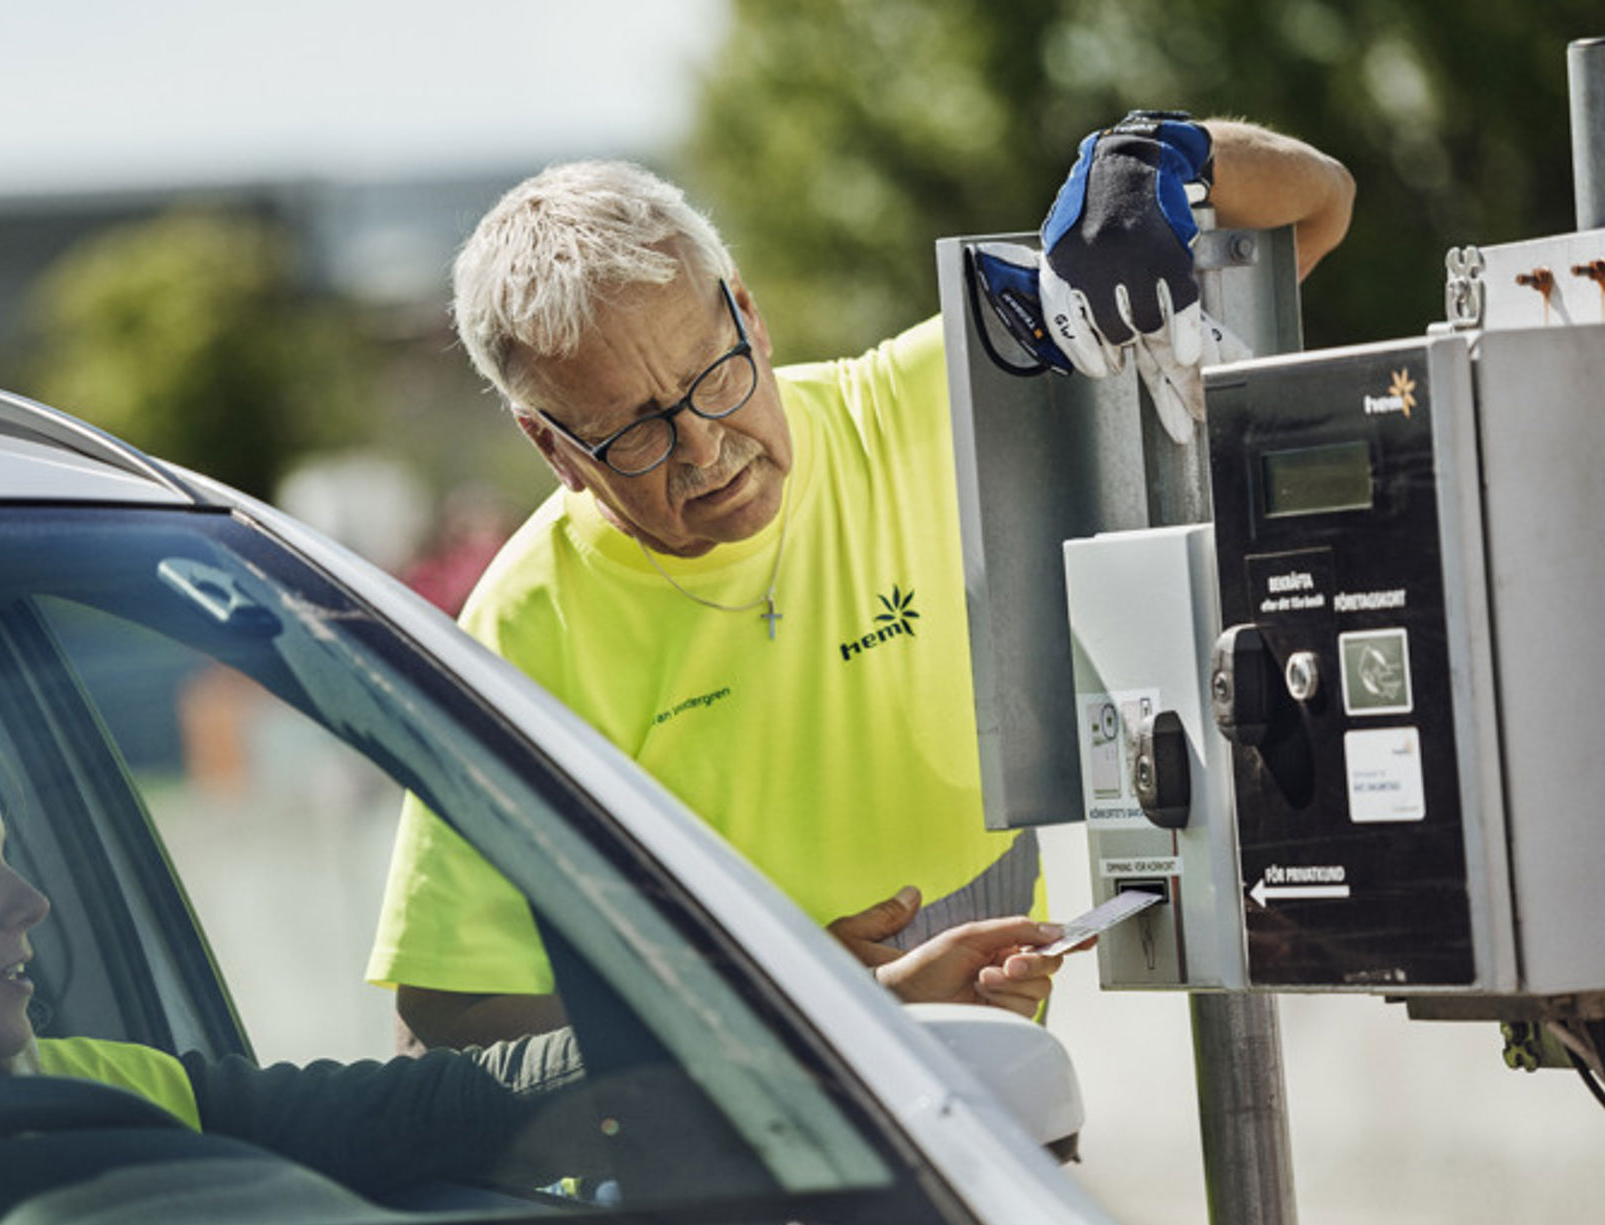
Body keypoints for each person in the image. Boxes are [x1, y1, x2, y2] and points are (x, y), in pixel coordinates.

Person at [367, 116, 1354, 1050]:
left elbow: (1316, 205)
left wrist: (1158, 153)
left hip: (997, 1142)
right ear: (551, 446)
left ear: (745, 310)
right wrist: (817, 1008)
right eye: (634, 431)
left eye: (714, 376)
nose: (705, 449)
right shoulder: (526, 625)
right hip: (704, 1212)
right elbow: (445, 1038)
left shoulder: (934, 414)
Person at [0, 707, 583, 1225]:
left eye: (8, 853)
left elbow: (405, 1113)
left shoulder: (94, 1083)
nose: (32, 900)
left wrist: (635, 1055)